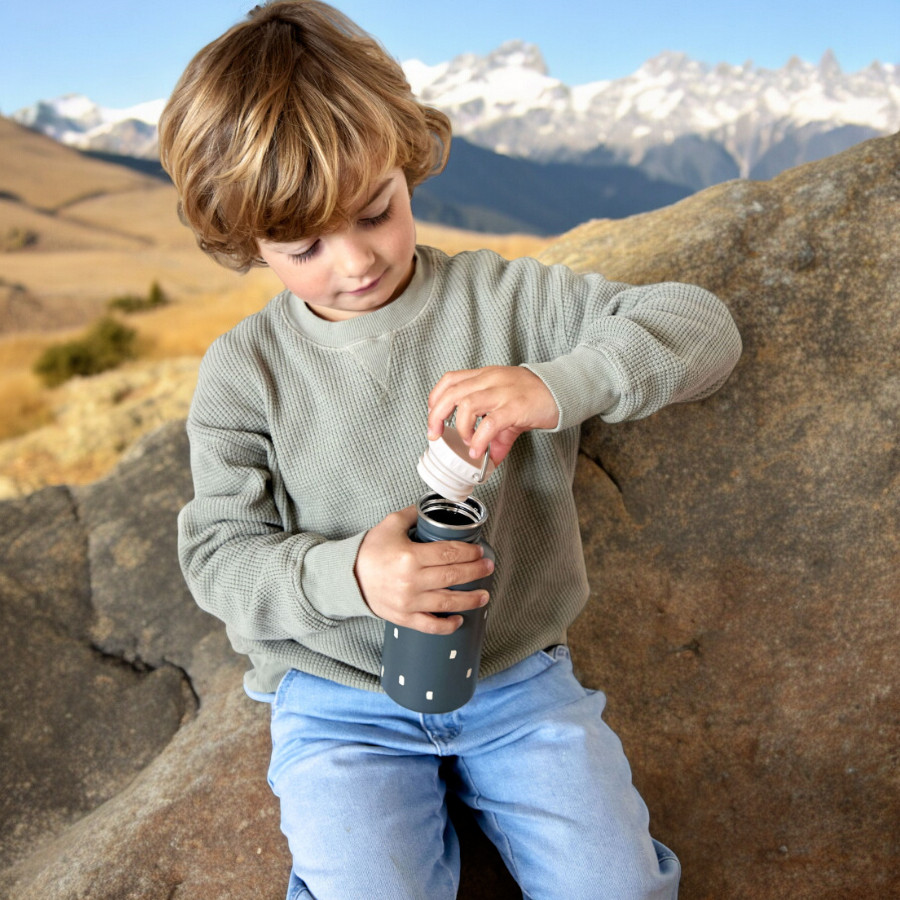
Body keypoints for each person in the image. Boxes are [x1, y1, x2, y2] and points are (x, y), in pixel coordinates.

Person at [160, 2, 742, 898]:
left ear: (407, 158)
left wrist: (559, 385)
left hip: (516, 680)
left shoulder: (501, 301)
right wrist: (349, 575)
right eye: (303, 246)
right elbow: (216, 555)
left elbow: (701, 330)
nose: (353, 262)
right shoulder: (245, 372)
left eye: (375, 211)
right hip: (337, 696)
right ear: (244, 243)